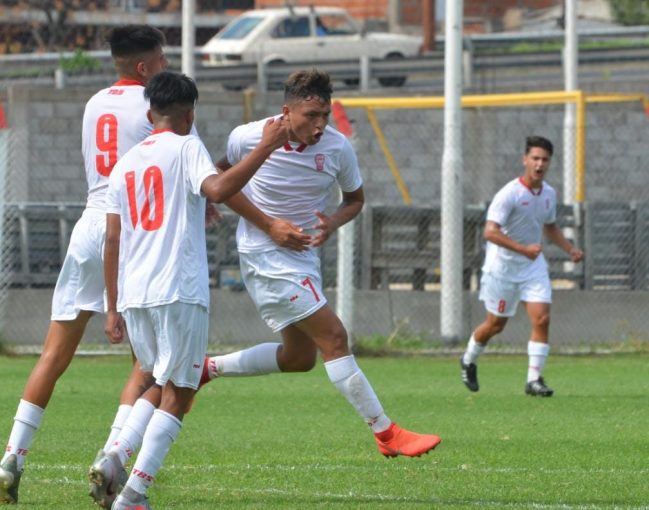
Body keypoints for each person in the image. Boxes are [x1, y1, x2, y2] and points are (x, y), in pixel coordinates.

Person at [201, 69, 441, 459]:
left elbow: (355, 200)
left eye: (325, 115)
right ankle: (386, 433)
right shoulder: (248, 136)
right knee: (334, 337)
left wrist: (333, 221)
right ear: (286, 111)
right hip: (264, 256)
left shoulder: (337, 148)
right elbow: (221, 172)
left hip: (301, 257)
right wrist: (262, 223)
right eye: (311, 115)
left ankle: (206, 369)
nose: (319, 124)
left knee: (299, 359)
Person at [0, 24, 169, 505]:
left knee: (54, 353)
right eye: (162, 59)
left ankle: (12, 457)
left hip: (89, 225)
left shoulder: (94, 104)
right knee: (148, 364)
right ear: (143, 66)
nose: (166, 66)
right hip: (131, 233)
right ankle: (110, 460)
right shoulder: (154, 108)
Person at [97, 71, 288, 510]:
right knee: (181, 393)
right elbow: (217, 189)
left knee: (154, 380)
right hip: (178, 288)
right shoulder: (186, 146)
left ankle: (116, 457)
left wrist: (112, 308)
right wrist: (265, 147)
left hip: (135, 292)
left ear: (150, 113)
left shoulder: (125, 163)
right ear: (190, 114)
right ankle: (133, 494)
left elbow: (113, 239)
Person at [459, 135, 584, 397]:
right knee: (495, 325)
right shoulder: (509, 194)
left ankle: (534, 380)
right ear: (525, 160)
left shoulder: (548, 194)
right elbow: (490, 232)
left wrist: (569, 248)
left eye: (545, 159)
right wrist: (523, 249)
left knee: (542, 318)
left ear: (550, 163)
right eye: (535, 158)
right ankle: (469, 359)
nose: (540, 164)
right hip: (502, 269)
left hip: (532, 267)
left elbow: (549, 225)